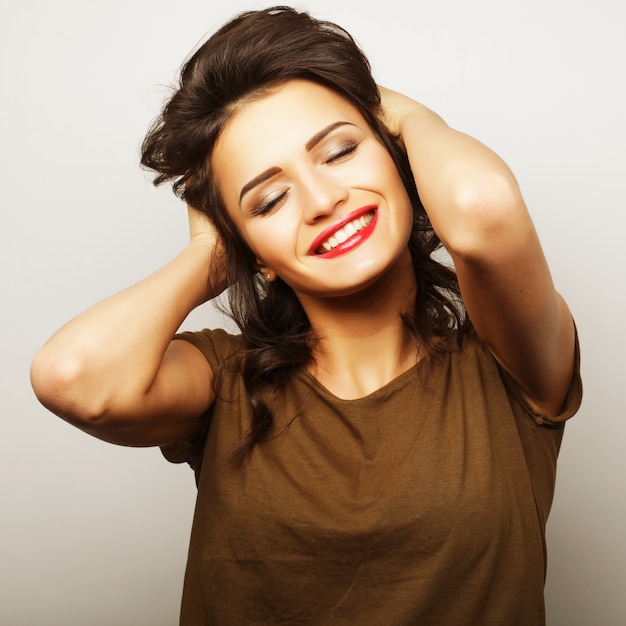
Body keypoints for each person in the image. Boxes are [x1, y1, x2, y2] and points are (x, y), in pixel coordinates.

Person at [30, 6, 581, 625]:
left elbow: (482, 211)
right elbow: (73, 378)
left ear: (399, 158)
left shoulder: (508, 362)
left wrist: (400, 112)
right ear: (252, 253)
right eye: (269, 200)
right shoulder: (224, 380)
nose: (322, 201)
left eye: (341, 150)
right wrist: (212, 254)